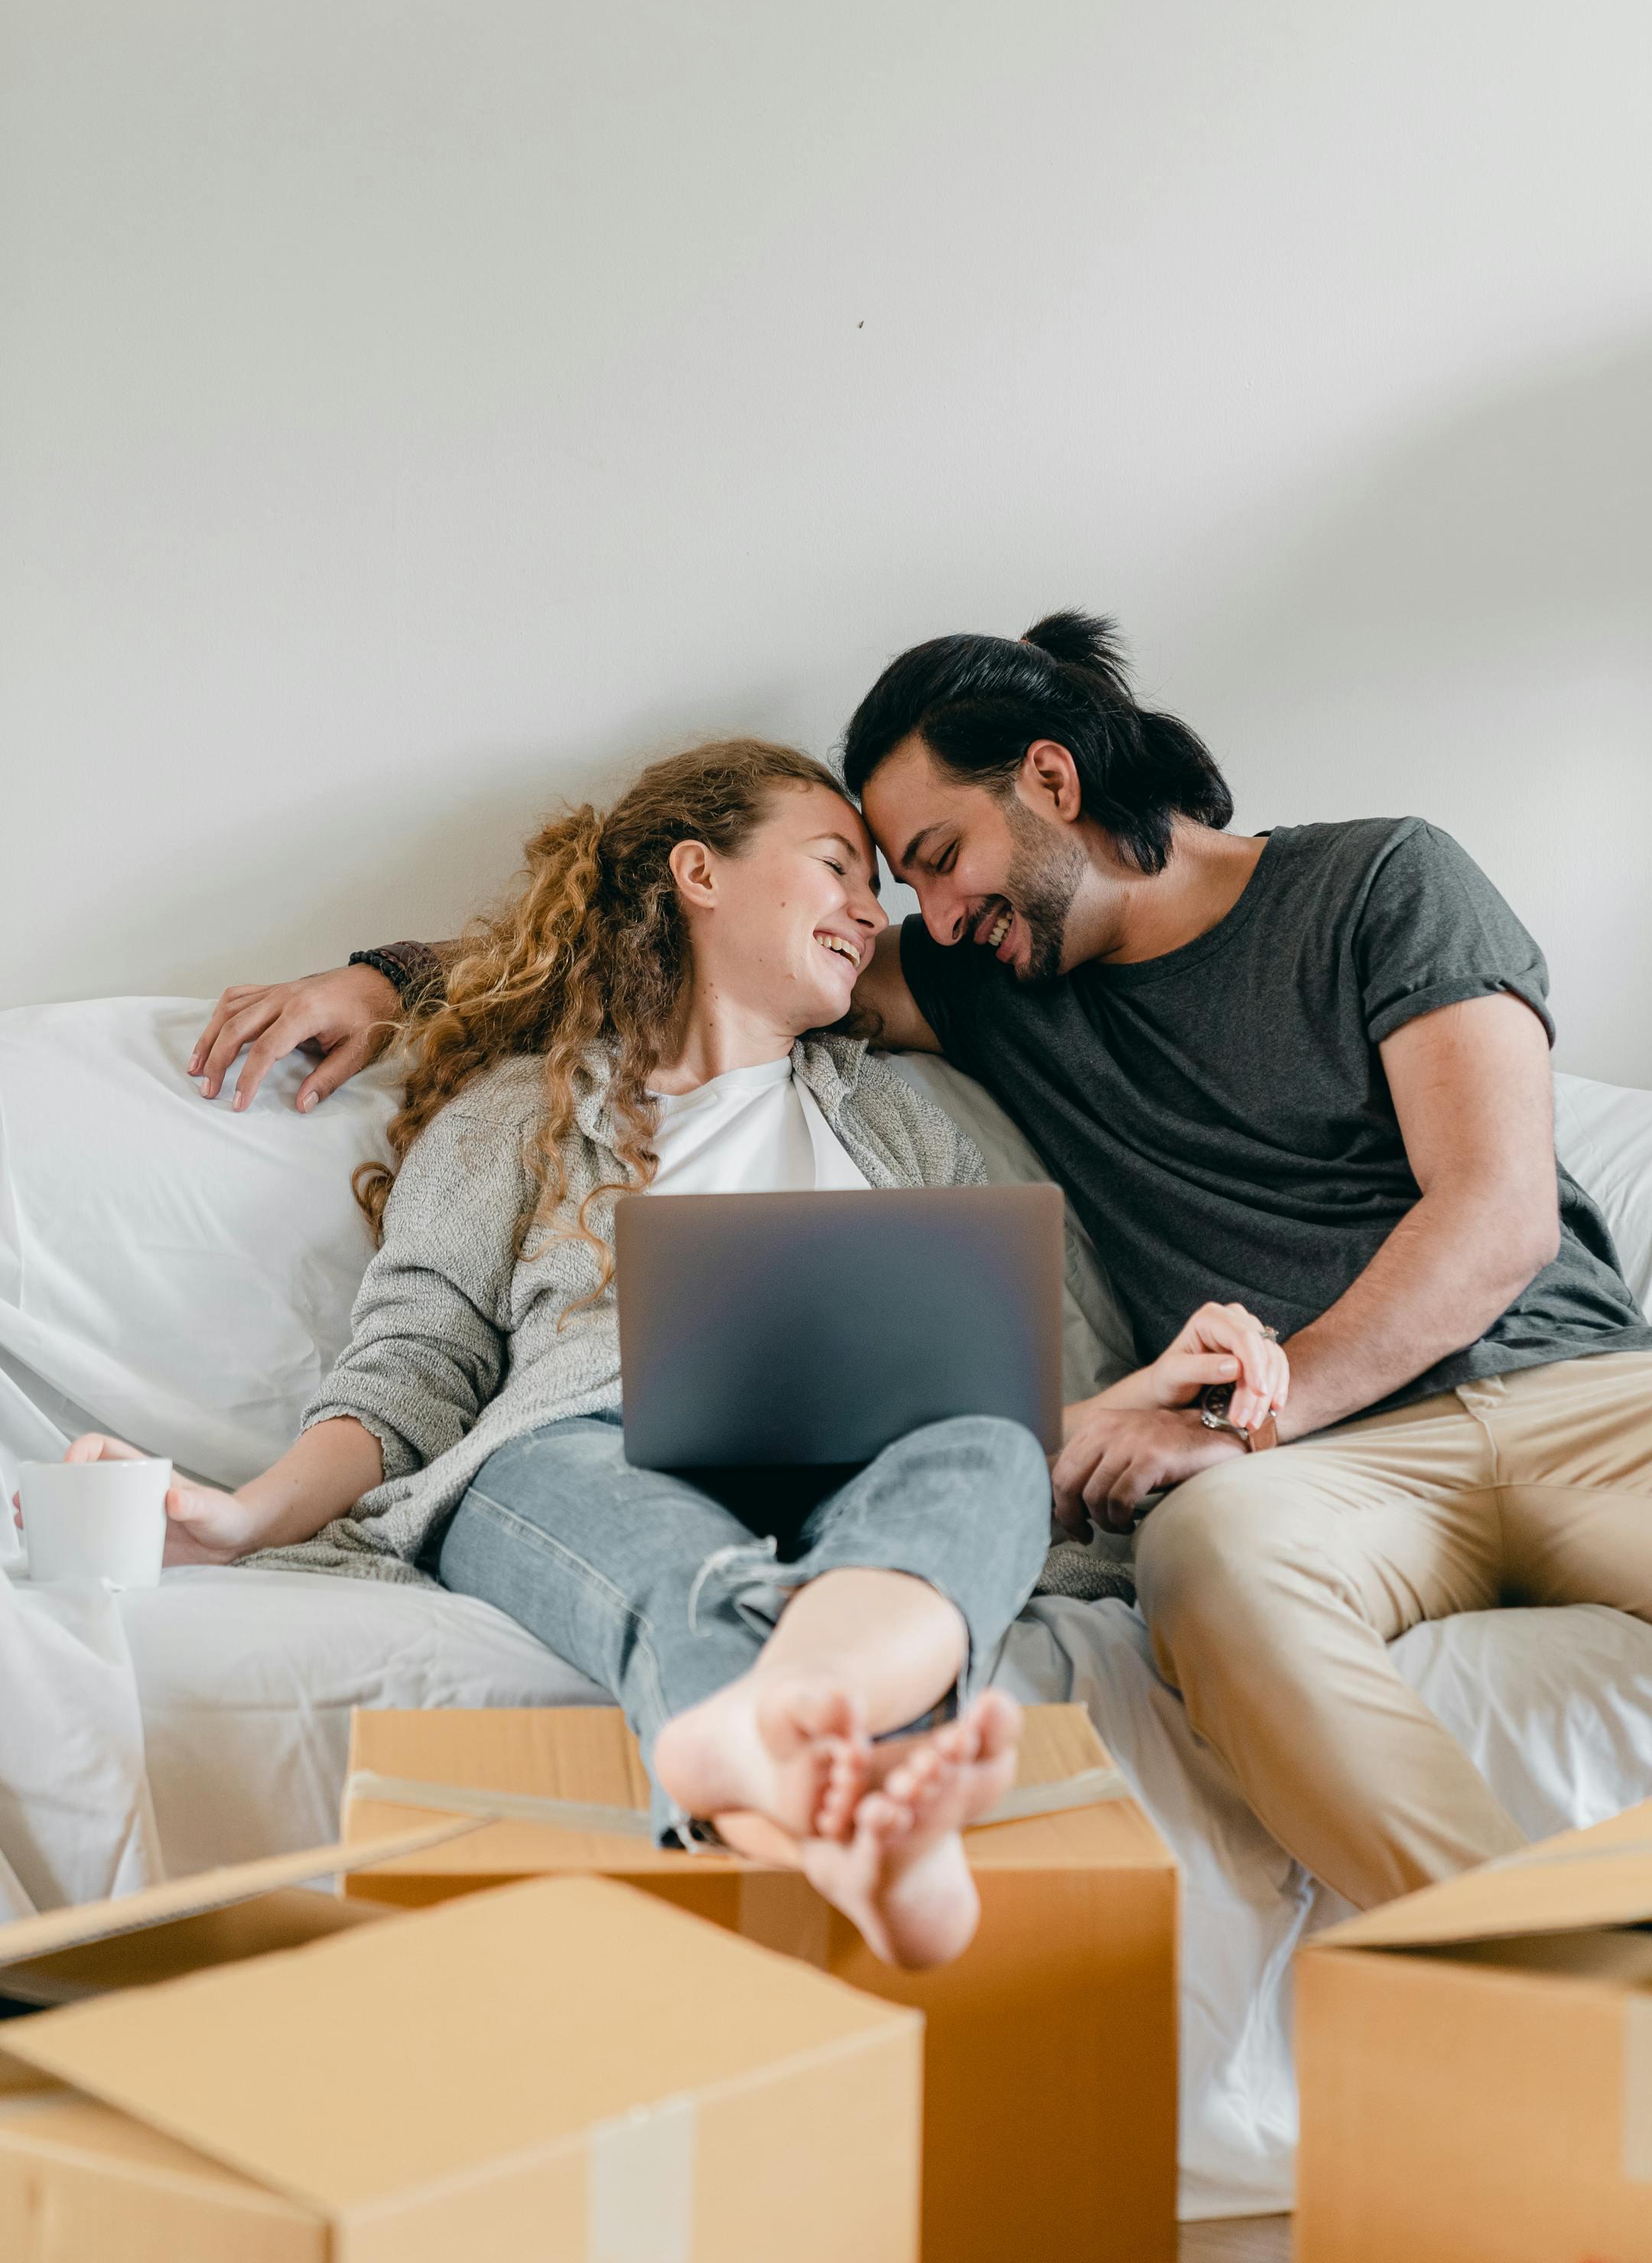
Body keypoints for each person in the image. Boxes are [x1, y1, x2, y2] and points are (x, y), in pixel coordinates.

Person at [191, 623, 1651, 1915]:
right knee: (1197, 1566)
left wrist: (1192, 1412)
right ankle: (1534, 1985)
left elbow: (1492, 1216)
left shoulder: (1371, 883)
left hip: (1571, 1395)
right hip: (1284, 1477)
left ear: (1052, 783)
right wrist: (380, 976)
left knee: (1015, 1469)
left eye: (931, 863)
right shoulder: (956, 987)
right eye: (885, 880)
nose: (922, 917)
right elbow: (609, 964)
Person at [66, 734, 1287, 1965]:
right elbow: (408, 1377)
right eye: (837, 869)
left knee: (984, 1450)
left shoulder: (908, 1118)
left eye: (878, 888)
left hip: (866, 1465)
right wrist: (240, 1518)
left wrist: (1140, 1397)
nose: (874, 913)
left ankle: (766, 1748)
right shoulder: (519, 1115)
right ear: (698, 873)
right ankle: (849, 1789)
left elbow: (995, 1389)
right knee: (634, 1524)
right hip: (583, 1451)